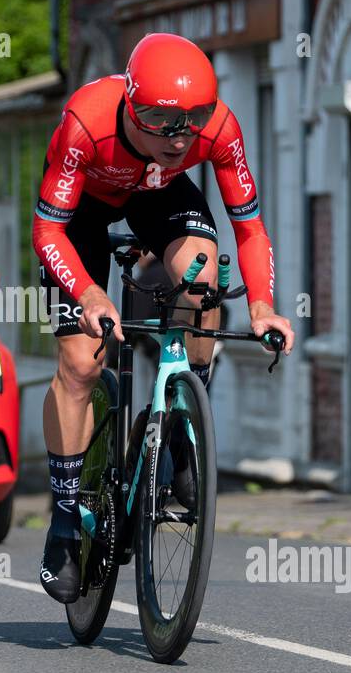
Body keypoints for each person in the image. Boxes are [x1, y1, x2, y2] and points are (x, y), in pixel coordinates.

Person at [32, 32, 296, 603]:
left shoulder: (219, 129)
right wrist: (88, 293)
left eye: (191, 120)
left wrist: (261, 304)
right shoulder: (86, 123)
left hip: (160, 197)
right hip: (82, 210)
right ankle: (63, 520)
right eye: (159, 119)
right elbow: (47, 230)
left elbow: (249, 228)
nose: (179, 137)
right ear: (130, 103)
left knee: (202, 276)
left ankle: (181, 426)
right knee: (81, 361)